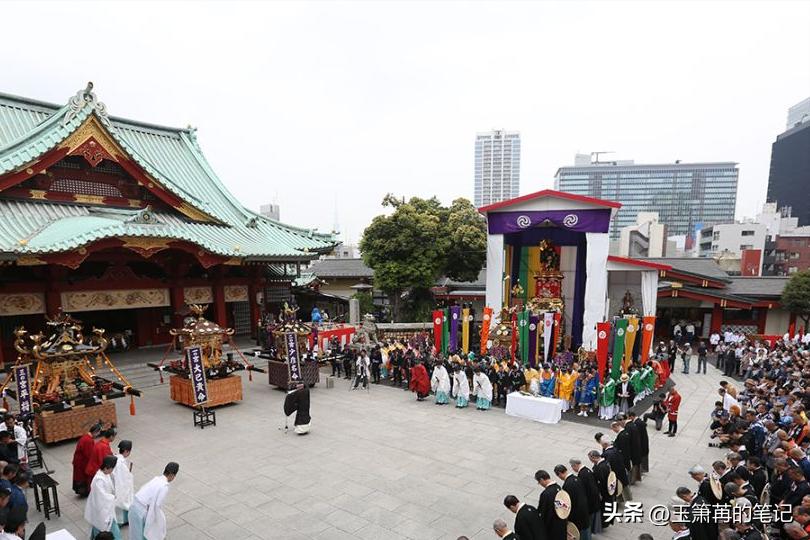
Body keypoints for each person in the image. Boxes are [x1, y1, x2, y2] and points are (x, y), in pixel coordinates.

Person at [129, 462, 179, 540]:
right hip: (141, 511)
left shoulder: (156, 479)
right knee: (148, 532)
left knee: (136, 534)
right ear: (172, 475)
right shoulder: (164, 486)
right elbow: (157, 506)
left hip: (134, 505)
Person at [84, 455, 121, 540]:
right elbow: (101, 496)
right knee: (105, 527)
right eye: (112, 468)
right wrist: (112, 497)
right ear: (107, 467)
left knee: (106, 527)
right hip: (101, 509)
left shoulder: (105, 474)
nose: (112, 471)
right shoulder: (99, 480)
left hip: (106, 508)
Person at [569, 458, 600, 536]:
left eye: (572, 466)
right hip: (594, 500)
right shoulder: (587, 470)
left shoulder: (582, 474)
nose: (572, 469)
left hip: (590, 502)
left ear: (575, 465)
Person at [535, 469, 567, 540]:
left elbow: (543, 513)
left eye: (539, 482)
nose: (540, 484)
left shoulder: (546, 494)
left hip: (552, 527)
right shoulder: (558, 487)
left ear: (541, 480)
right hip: (561, 524)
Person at [73, 422, 102, 497]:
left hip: (79, 461)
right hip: (82, 462)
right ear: (95, 432)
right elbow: (89, 454)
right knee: (82, 477)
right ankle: (84, 491)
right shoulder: (88, 440)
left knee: (80, 476)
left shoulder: (86, 437)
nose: (98, 434)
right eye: (98, 432)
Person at [587, 450, 613, 529]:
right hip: (608, 490)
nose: (590, 461)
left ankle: (603, 523)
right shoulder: (606, 463)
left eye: (590, 459)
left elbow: (601, 482)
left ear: (594, 457)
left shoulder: (600, 467)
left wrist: (599, 493)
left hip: (604, 492)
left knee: (604, 508)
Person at [112, 440, 134, 526]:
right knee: (123, 502)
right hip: (121, 486)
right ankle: (123, 520)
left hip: (115, 485)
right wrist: (129, 474)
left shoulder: (116, 458)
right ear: (126, 451)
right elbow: (124, 478)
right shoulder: (121, 463)